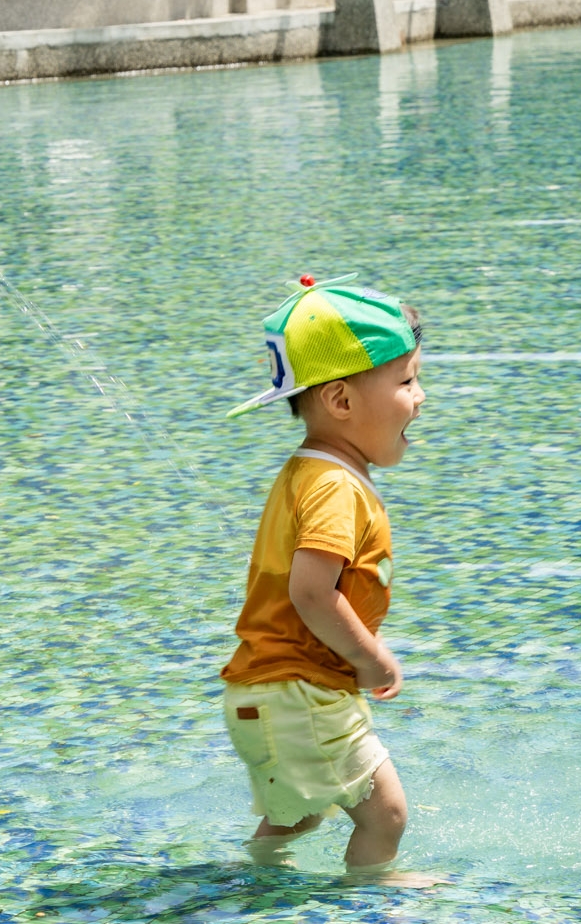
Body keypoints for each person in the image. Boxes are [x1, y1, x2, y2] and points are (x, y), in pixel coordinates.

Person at [218, 278, 429, 876]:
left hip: (264, 694)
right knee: (385, 815)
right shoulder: (337, 486)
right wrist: (372, 658)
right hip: (301, 692)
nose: (421, 397)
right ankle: (372, 899)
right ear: (340, 401)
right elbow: (312, 594)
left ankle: (249, 884)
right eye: (407, 381)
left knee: (298, 814)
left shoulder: (306, 473)